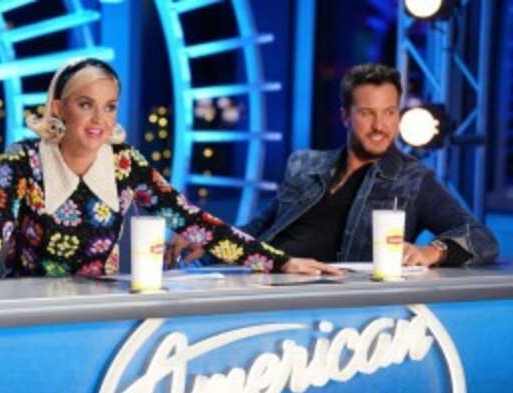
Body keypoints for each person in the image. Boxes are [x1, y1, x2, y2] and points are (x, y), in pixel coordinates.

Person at [0, 57, 342, 284]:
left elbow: (192, 222)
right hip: (28, 306)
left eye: (109, 106)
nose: (100, 119)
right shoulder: (23, 159)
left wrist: (280, 262)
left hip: (104, 310)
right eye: (86, 104)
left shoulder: (126, 163)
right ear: (58, 107)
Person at [169, 63, 498, 267]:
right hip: (259, 276)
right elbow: (259, 229)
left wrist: (432, 252)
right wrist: (208, 237)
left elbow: (481, 237)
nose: (380, 126)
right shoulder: (304, 163)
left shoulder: (413, 179)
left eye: (389, 113)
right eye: (367, 113)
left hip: (329, 304)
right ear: (345, 116)